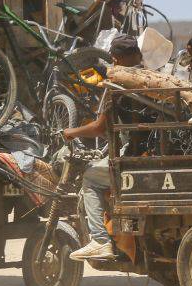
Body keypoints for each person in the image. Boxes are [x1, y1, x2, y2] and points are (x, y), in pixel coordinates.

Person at [63, 34, 155, 261]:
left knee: (91, 178)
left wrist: (70, 132)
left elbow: (98, 128)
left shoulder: (116, 85)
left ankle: (101, 241)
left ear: (114, 59)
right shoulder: (154, 77)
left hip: (136, 157)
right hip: (158, 151)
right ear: (137, 55)